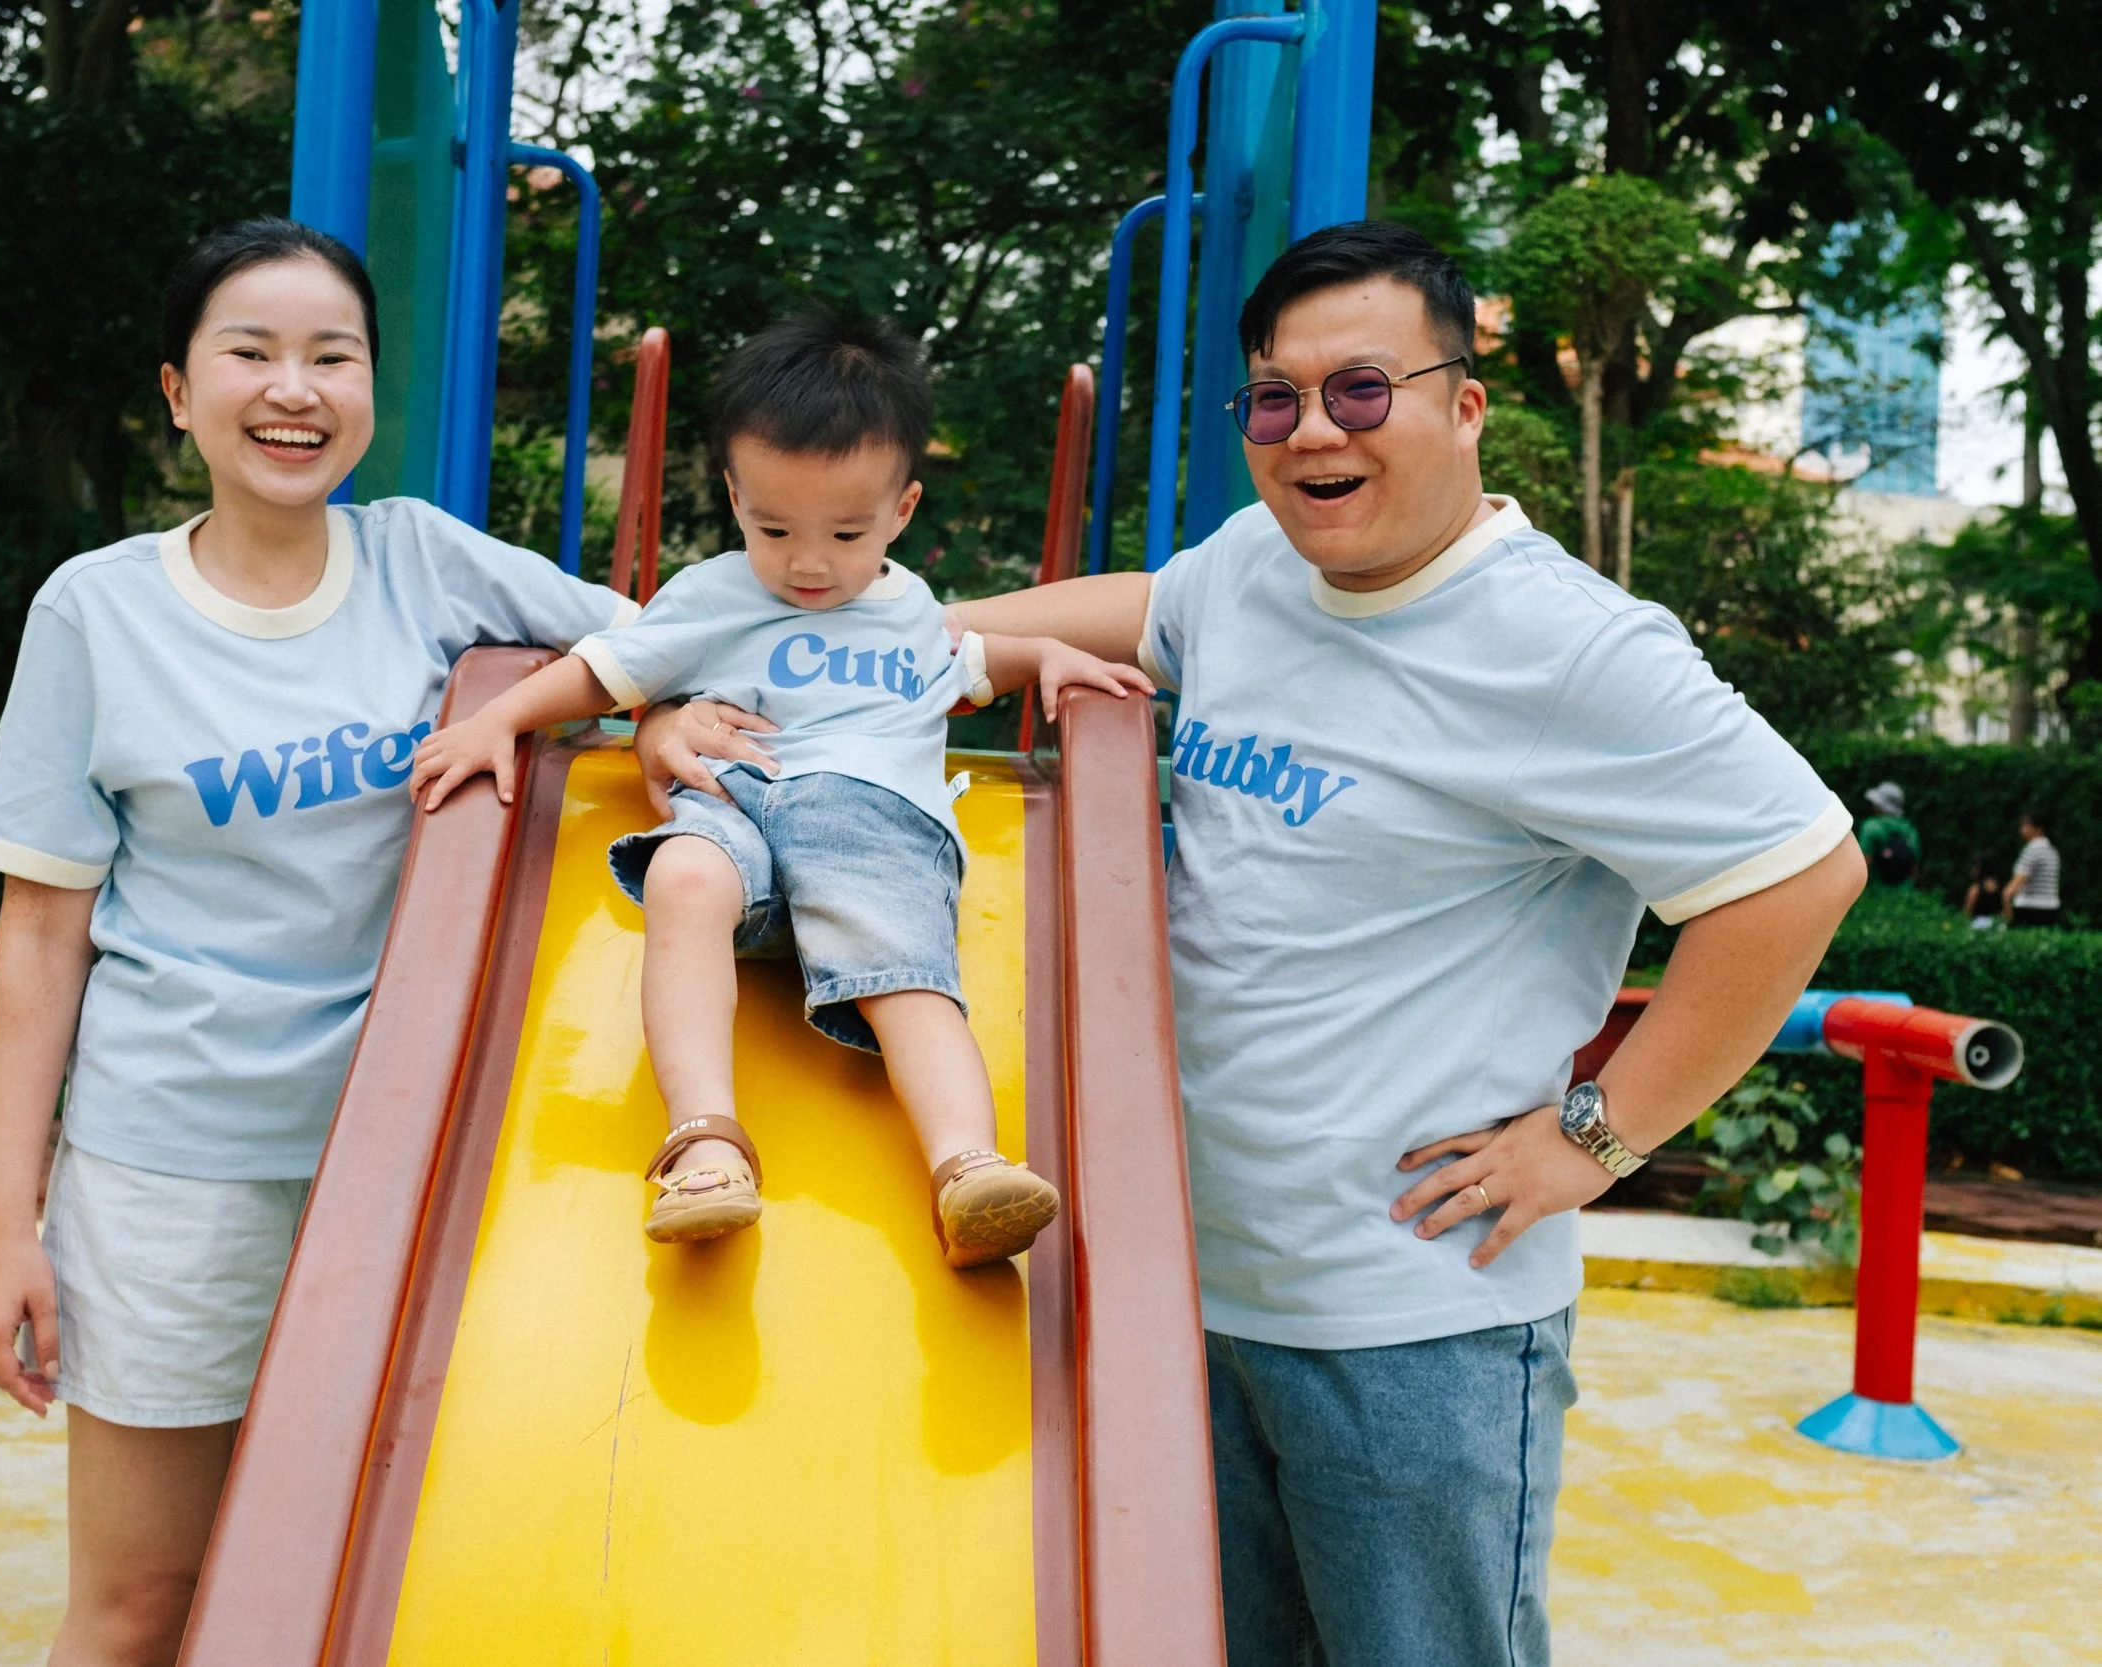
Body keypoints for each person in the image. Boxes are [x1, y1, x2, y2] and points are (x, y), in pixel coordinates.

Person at [739, 221, 1862, 1665]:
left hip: (1410, 1326)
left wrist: (1599, 1132)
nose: (1313, 428)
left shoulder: (1573, 648)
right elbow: (1149, 608)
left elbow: (1797, 872)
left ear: (1466, 403)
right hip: (1189, 1289)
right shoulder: (1262, 566)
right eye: (1277, 396)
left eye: (1362, 389)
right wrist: (879, 645)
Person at [0, 217, 638, 1667]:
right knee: (148, 1598)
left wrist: (676, 707)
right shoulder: (97, 610)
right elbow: (40, 932)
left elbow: (645, 645)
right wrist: (8, 1226)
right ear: (177, 388)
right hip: (175, 1164)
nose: (296, 387)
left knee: (372, 1580)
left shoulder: (424, 562)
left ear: (371, 389)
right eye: (251, 352)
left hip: (404, 1162)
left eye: (333, 354)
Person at [410, 313, 1148, 1266]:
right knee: (681, 878)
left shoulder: (908, 607)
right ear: (734, 497)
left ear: (902, 510)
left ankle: (967, 1168)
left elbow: (969, 662)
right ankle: (706, 1141)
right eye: (773, 527)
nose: (807, 562)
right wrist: (498, 718)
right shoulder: (715, 594)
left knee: (910, 976)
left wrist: (1046, 648)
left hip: (870, 824)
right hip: (739, 803)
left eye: (845, 531)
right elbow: (607, 668)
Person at [1856, 780, 1920, 889]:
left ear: (1879, 804)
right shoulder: (1910, 830)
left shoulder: (1871, 826)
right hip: (1904, 898)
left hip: (1875, 896)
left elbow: (1864, 865)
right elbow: (1914, 870)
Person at [2004, 807, 2062, 926]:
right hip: (2051, 907)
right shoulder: (2052, 852)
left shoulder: (2032, 851)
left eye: (2026, 826)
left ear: (2039, 829)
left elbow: (2013, 887)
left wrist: (2007, 906)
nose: (2022, 829)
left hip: (2029, 908)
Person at [1961, 849, 2007, 928]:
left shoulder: (1976, 888)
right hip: (1998, 924)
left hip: (1979, 925)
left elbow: (1966, 913)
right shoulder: (2002, 887)